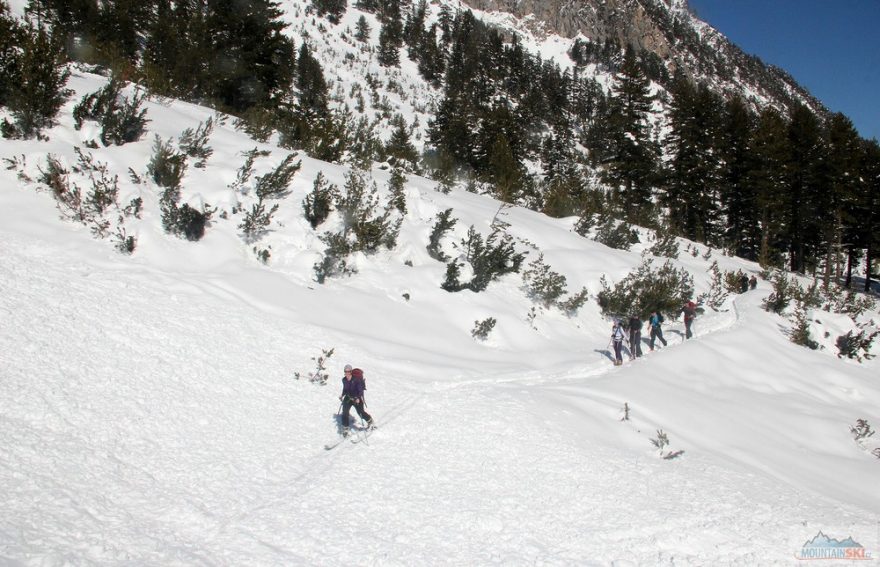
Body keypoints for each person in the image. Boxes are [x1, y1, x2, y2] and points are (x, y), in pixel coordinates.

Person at [339, 364, 373, 436]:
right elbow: (345, 389)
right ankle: (346, 428)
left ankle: (370, 421)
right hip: (348, 397)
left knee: (360, 412)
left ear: (351, 372)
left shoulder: (356, 380)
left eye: (348, 371)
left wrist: (357, 398)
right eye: (345, 371)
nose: (347, 373)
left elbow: (360, 390)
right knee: (345, 411)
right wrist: (342, 395)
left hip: (356, 398)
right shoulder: (344, 380)